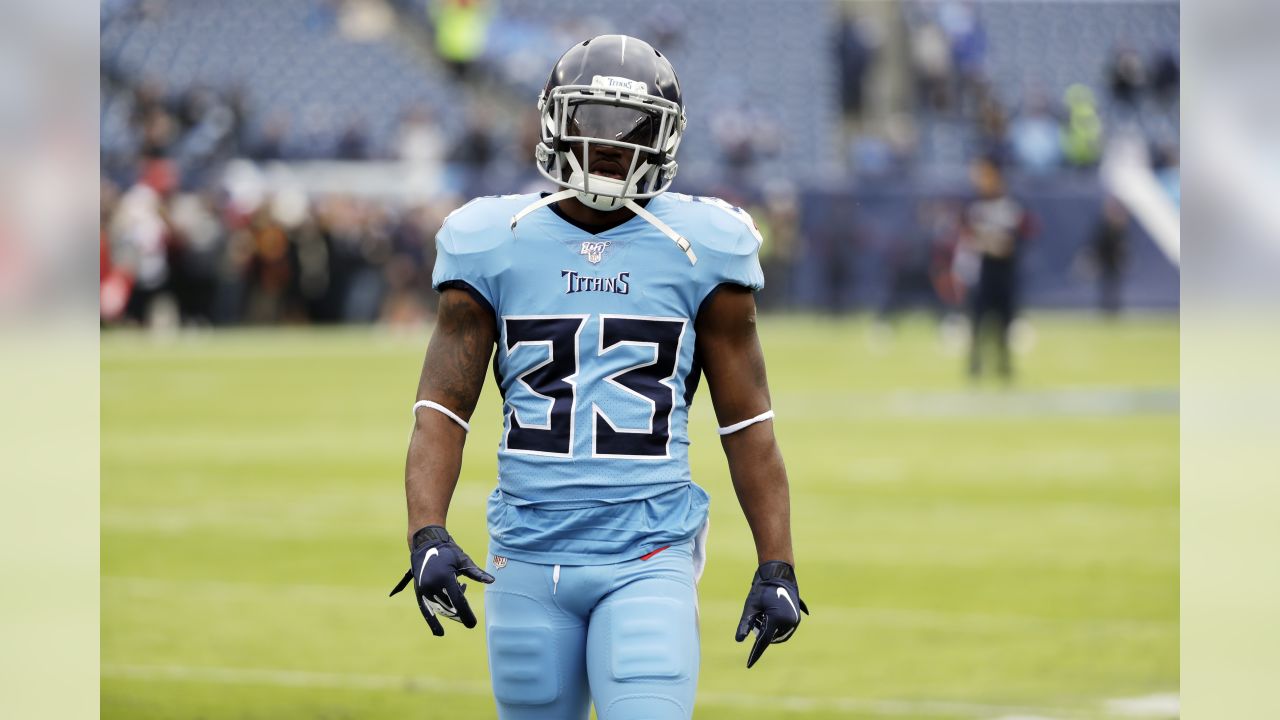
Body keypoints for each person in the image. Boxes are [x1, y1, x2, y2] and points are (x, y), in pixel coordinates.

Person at [392, 35, 808, 720]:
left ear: (666, 136)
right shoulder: (495, 237)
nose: (611, 145)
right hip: (525, 553)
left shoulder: (702, 246)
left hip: (649, 550)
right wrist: (426, 531)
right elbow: (442, 408)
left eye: (633, 127)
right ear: (555, 122)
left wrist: (778, 562)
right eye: (593, 121)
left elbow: (747, 421)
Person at [961, 157, 1033, 380]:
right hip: (984, 271)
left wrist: (992, 242)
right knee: (978, 318)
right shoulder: (976, 206)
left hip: (1005, 272)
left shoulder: (1010, 206)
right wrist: (990, 243)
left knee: (1005, 319)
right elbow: (972, 237)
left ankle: (1004, 363)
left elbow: (1015, 240)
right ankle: (975, 363)